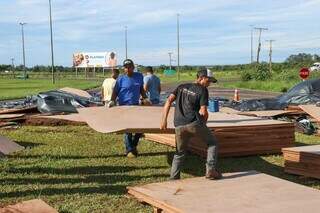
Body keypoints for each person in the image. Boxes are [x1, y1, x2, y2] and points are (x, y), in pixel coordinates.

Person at [160, 68, 221, 180]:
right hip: (193, 123)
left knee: (179, 153)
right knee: (212, 143)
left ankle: (173, 178)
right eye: (208, 81)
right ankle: (210, 170)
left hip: (178, 125)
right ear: (201, 78)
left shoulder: (181, 86)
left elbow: (168, 101)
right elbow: (204, 111)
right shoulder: (202, 90)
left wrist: (164, 120)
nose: (209, 84)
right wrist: (203, 124)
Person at [110, 59, 151, 158]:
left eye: (129, 67)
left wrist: (145, 97)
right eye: (125, 67)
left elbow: (141, 88)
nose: (127, 69)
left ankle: (133, 146)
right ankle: (130, 150)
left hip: (136, 106)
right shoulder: (120, 79)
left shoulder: (139, 76)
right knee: (127, 129)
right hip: (124, 107)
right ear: (123, 69)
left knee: (140, 128)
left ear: (133, 67)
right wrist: (112, 100)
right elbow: (115, 91)